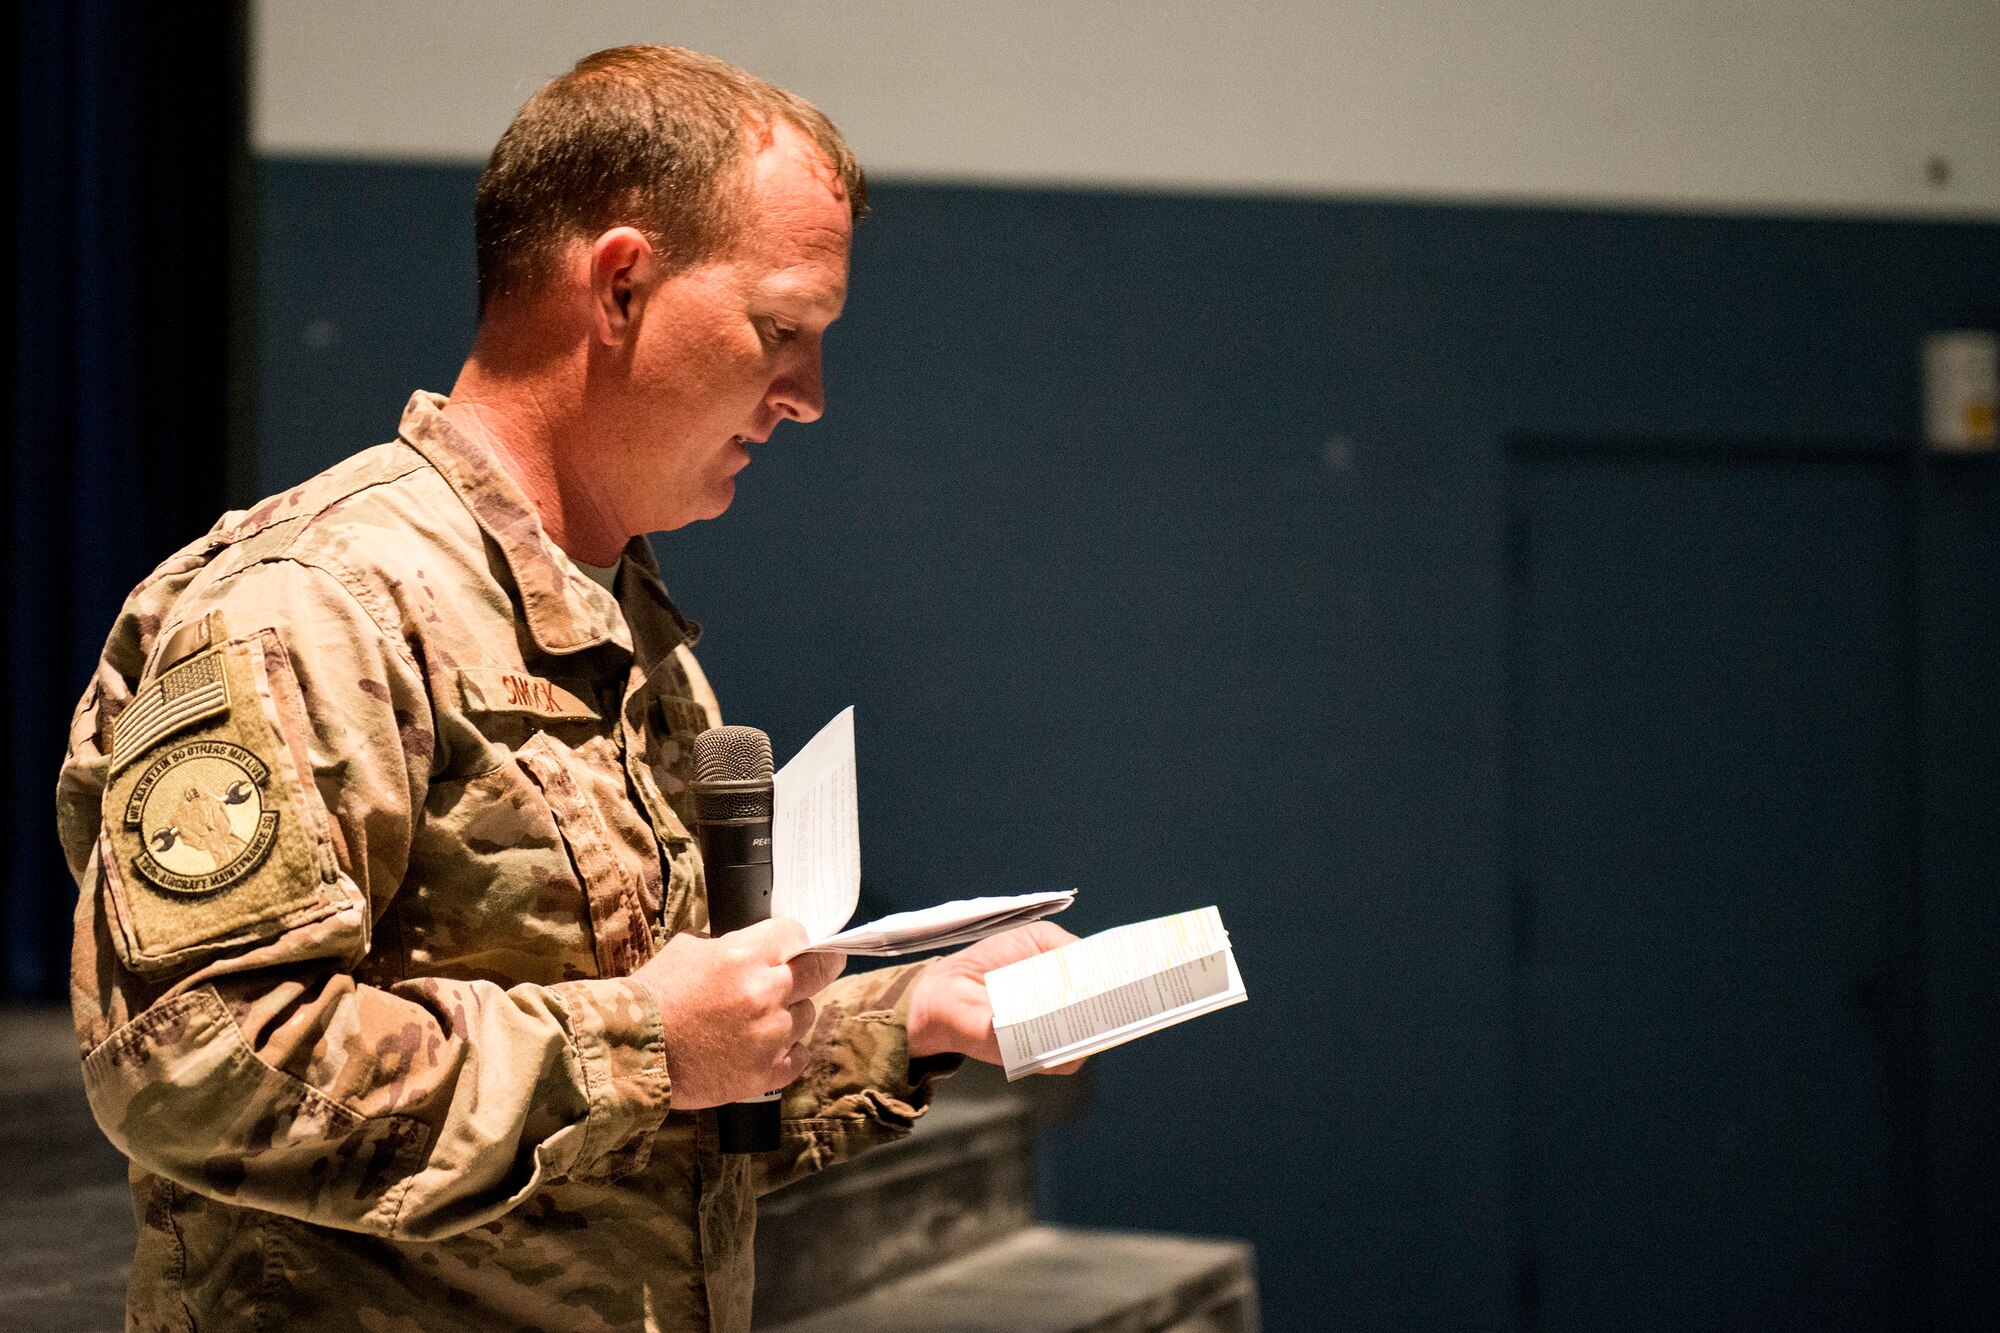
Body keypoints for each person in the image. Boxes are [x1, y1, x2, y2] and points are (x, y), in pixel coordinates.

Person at [55, 45, 1078, 1333]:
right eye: (782, 331)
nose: (809, 397)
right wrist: (647, 1039)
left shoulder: (628, 634)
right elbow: (190, 1065)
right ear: (620, 283)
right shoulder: (312, 605)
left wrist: (907, 1018)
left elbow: (659, 1106)